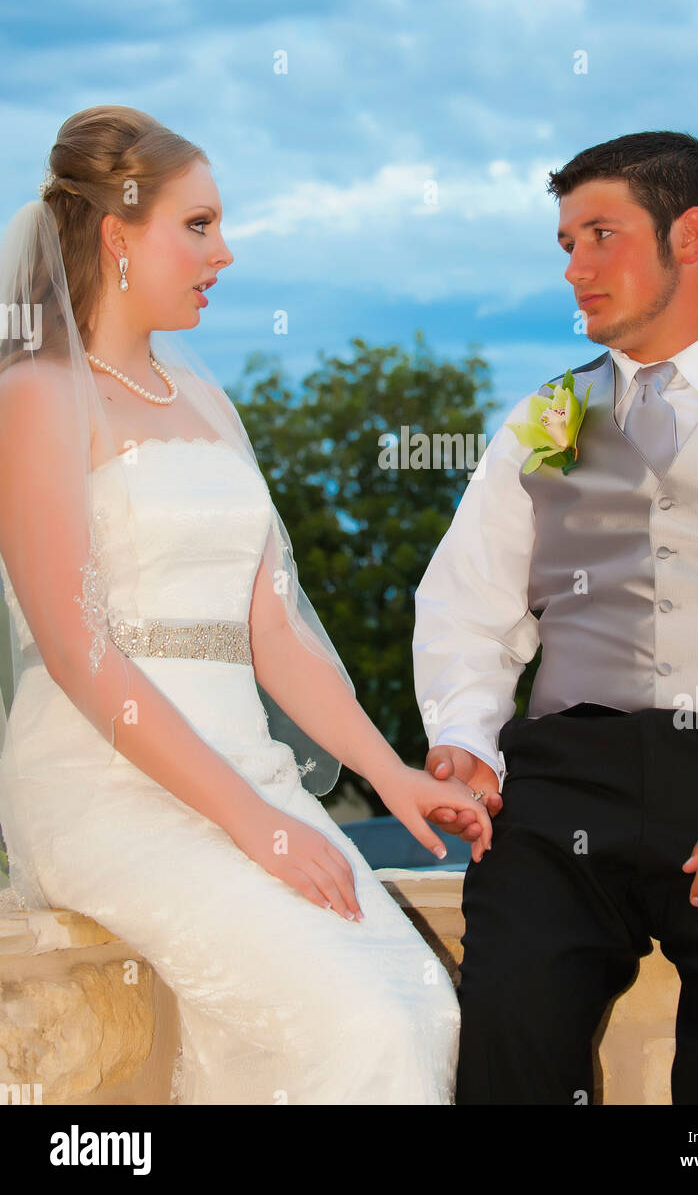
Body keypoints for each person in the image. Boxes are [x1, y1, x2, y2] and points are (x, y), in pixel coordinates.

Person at [0, 104, 491, 1105]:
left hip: (247, 773)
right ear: (116, 234)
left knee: (425, 1010)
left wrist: (387, 773)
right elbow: (79, 650)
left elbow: (273, 629)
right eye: (198, 224)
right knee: (358, 1020)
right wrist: (253, 828)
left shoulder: (207, 398)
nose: (224, 251)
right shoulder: (37, 396)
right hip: (104, 784)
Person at [413, 130, 698, 1105]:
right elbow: (466, 605)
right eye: (565, 243)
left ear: (688, 234)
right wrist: (464, 735)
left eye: (599, 236)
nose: (573, 268)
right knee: (504, 1029)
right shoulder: (546, 417)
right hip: (562, 784)